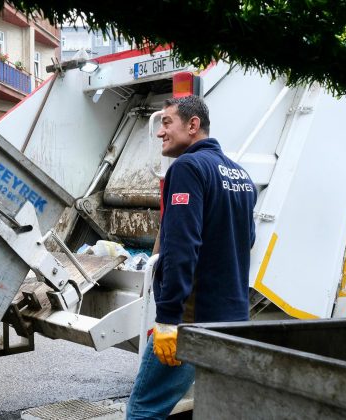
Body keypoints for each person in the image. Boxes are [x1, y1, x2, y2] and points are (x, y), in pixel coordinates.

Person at [126, 95, 257, 419]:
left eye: (167, 122)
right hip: (233, 319)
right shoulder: (241, 175)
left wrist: (169, 320)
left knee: (144, 409)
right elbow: (247, 239)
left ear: (193, 125)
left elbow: (181, 248)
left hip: (192, 320)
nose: (160, 131)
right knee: (218, 409)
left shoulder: (188, 168)